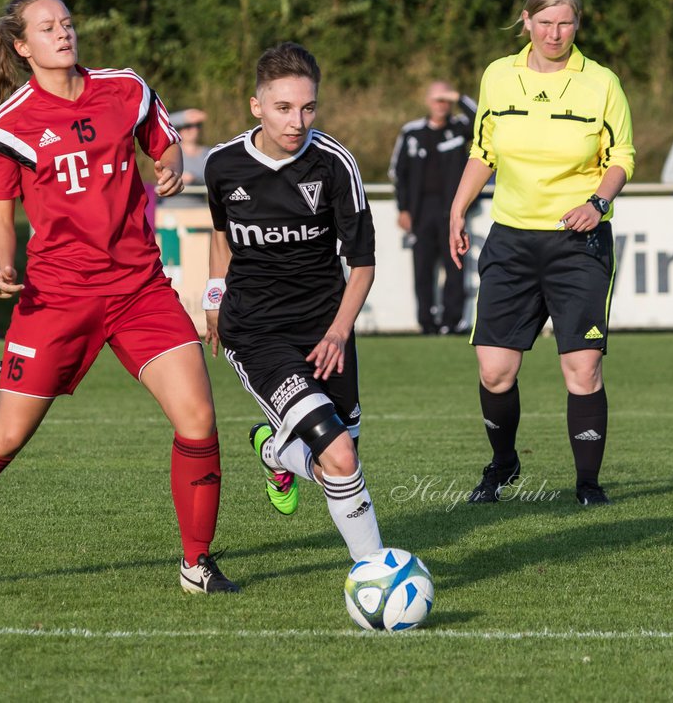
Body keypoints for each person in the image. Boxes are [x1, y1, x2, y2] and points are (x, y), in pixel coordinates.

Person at [0, 0, 237, 596]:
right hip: (57, 298)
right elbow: (0, 219)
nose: (63, 33)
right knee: (5, 435)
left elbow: (163, 141)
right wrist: (2, 267)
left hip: (139, 288)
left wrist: (169, 163)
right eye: (47, 27)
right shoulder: (10, 125)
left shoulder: (126, 88)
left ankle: (197, 564)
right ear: (22, 46)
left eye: (66, 22)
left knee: (198, 418)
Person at [449, 0, 635, 507]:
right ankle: (504, 464)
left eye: (566, 23)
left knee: (582, 367)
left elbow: (622, 156)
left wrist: (597, 204)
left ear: (578, 23)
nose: (555, 34)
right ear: (526, 20)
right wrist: (457, 209)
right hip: (510, 240)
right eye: (546, 22)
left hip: (579, 243)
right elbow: (483, 151)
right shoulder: (498, 77)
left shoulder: (601, 81)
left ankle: (587, 485)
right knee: (495, 368)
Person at [202, 41, 384, 562]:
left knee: (340, 459)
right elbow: (221, 236)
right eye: (283, 108)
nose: (297, 121)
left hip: (325, 330)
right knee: (340, 452)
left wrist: (338, 332)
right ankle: (374, 571)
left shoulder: (334, 163)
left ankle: (275, 448)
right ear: (257, 105)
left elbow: (363, 263)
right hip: (256, 332)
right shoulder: (223, 165)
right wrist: (214, 297)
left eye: (308, 108)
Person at [390, 81, 476, 333]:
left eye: (446, 99)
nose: (441, 104)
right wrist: (403, 208)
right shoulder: (412, 131)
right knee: (423, 268)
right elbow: (398, 171)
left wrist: (459, 96)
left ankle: (453, 322)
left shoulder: (459, 128)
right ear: (428, 101)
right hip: (421, 210)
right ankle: (426, 323)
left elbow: (483, 119)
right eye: (437, 99)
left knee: (455, 265)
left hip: (452, 210)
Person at [160, 109, 209, 208]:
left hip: (198, 209)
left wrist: (194, 179)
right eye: (185, 126)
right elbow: (161, 123)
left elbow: (216, 179)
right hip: (170, 208)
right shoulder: (169, 151)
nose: (190, 130)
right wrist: (184, 116)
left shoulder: (209, 153)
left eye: (194, 126)